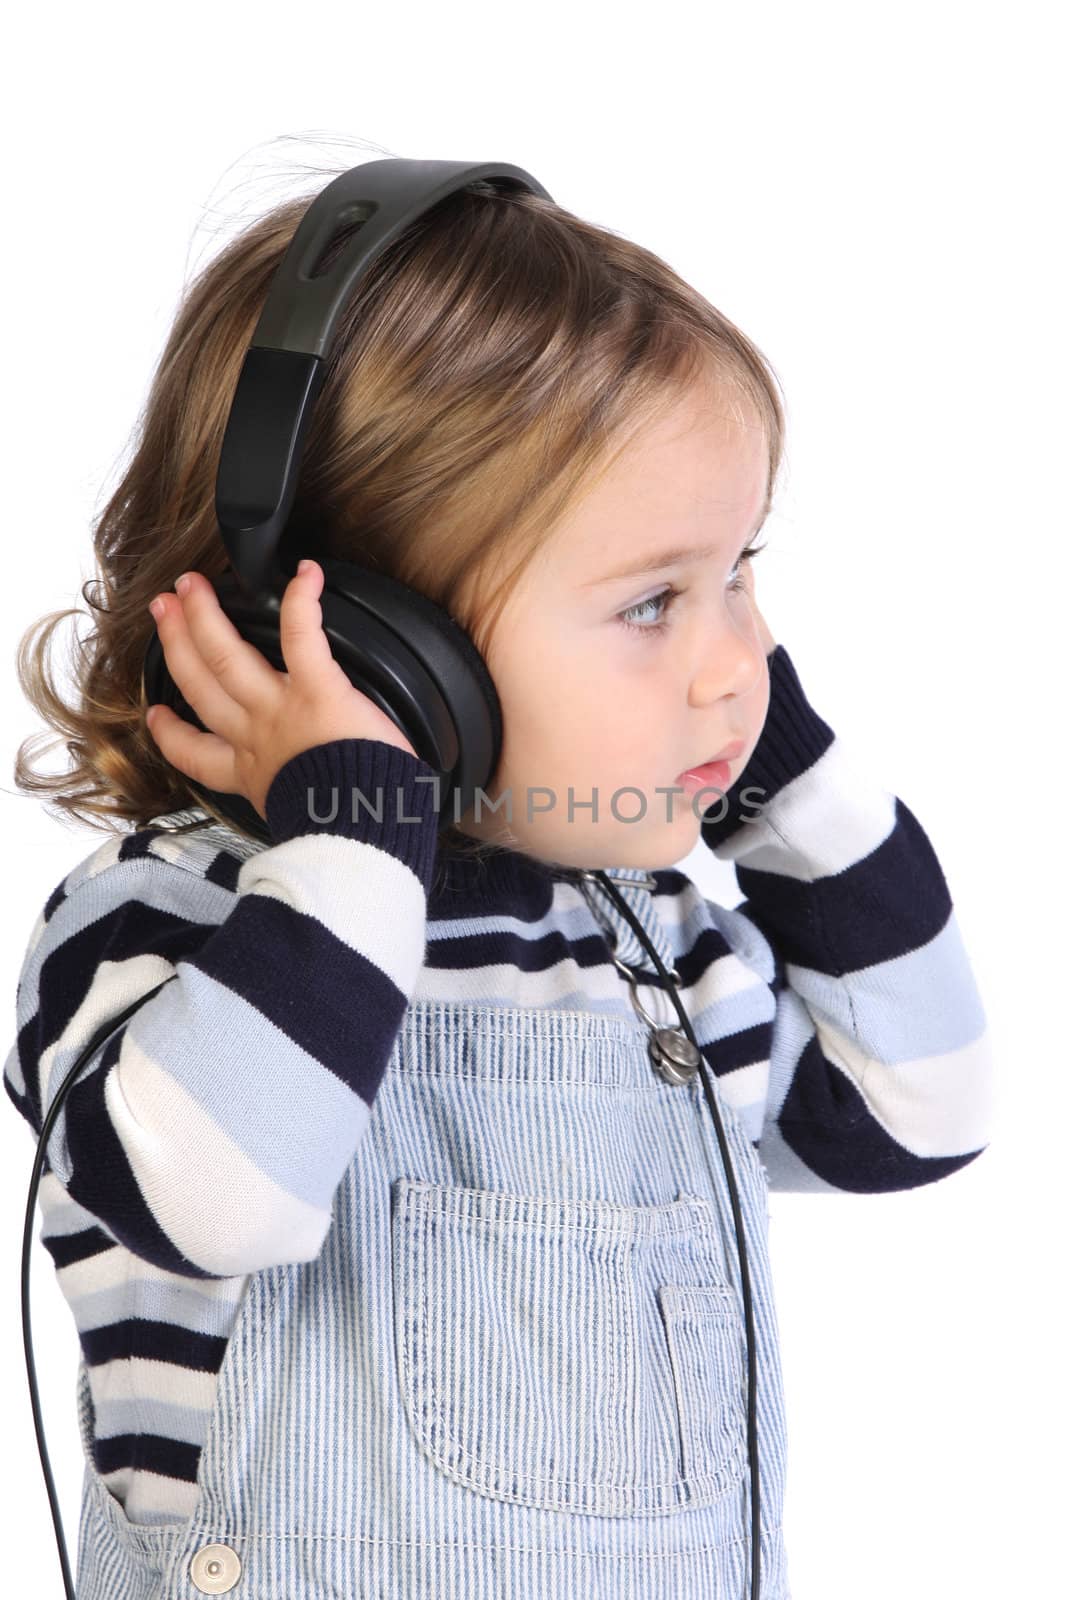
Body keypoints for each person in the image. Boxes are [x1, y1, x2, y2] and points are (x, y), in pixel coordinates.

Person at [4, 175, 993, 1600]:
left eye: (741, 571)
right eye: (654, 600)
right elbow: (220, 1196)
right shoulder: (161, 932)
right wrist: (356, 826)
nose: (737, 659)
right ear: (382, 649)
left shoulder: (654, 954)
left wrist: (777, 758)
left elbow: (923, 1112)